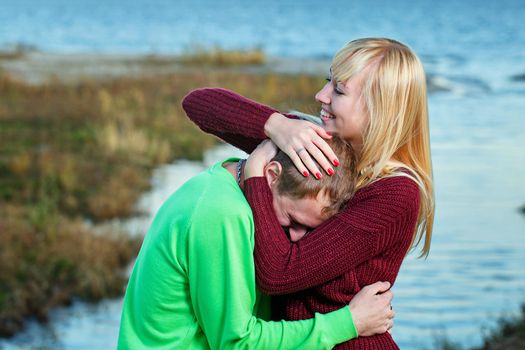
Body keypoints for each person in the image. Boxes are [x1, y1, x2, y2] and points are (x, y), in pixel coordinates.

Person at [182, 37, 434, 349]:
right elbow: (199, 104)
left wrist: (256, 175)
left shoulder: (395, 193)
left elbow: (279, 274)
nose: (321, 95)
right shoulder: (316, 145)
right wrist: (276, 126)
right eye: (328, 81)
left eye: (339, 90)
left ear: (380, 108)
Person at [117, 136, 394, 349]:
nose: (297, 239)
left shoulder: (235, 177)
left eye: (309, 230)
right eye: (292, 220)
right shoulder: (222, 214)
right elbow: (237, 343)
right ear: (271, 176)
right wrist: (350, 322)